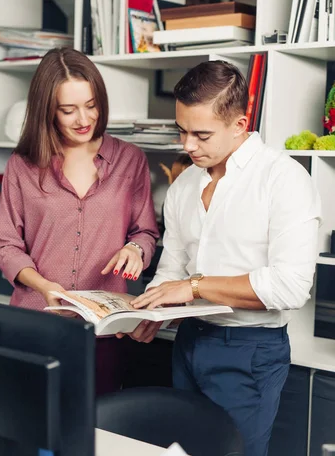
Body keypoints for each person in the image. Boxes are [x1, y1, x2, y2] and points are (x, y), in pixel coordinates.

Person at [127, 60, 321, 456]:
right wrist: (147, 310)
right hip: (188, 340)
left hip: (250, 350)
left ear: (239, 124)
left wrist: (194, 287)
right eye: (181, 131)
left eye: (201, 134)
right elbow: (172, 265)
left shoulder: (284, 180)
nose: (187, 145)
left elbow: (291, 286)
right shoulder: (184, 186)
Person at [0, 47, 159, 394]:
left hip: (105, 329)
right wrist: (43, 286)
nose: (84, 119)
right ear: (47, 110)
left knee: (98, 433)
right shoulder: (22, 166)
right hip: (36, 324)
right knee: (32, 429)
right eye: (68, 110)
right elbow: (6, 245)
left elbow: (145, 231)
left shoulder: (130, 160)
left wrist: (134, 249)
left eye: (91, 104)